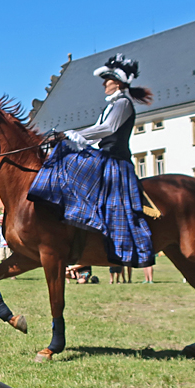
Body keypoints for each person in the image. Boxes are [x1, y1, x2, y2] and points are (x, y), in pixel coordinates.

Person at [27, 54, 155, 270]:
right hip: (105, 157)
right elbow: (95, 135)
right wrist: (66, 138)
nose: (104, 83)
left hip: (116, 162)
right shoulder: (111, 105)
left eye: (108, 79)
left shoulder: (123, 103)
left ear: (118, 81)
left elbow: (107, 129)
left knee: (69, 158)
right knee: (67, 152)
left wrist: (69, 135)